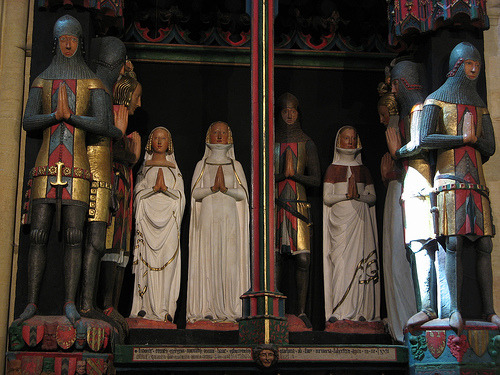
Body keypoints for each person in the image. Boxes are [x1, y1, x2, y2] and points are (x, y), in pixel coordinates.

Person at [19, 15, 120, 325]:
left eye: (73, 39)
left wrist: (71, 117)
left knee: (75, 234)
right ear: (55, 41)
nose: (67, 44)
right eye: (63, 39)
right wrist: (54, 114)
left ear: (80, 44)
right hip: (45, 166)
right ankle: (32, 302)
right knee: (37, 233)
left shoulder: (93, 82)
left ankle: (69, 303)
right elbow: (28, 122)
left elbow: (103, 124)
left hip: (77, 167)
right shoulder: (41, 80)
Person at [418, 42, 499, 333]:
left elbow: (489, 145)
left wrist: (472, 139)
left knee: (485, 244)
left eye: (477, 64)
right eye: (469, 64)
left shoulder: (479, 104)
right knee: (453, 243)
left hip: (476, 182)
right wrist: (461, 140)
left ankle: (489, 310)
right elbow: (425, 138)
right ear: (456, 67)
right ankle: (452, 309)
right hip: (449, 181)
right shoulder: (435, 100)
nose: (475, 69)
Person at [386, 60, 437, 331]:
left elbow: (422, 143)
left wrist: (398, 152)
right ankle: (424, 306)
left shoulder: (419, 107)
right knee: (415, 247)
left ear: (402, 83)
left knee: (422, 245)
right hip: (412, 182)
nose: (393, 91)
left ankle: (428, 307)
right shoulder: (412, 107)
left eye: (395, 84)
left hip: (421, 182)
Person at [187, 121, 250, 323]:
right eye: (216, 132)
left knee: (229, 262)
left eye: (223, 133)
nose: (220, 136)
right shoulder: (202, 165)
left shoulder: (235, 165)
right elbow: (195, 193)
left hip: (229, 218)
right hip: (208, 217)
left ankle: (230, 307)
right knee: (208, 259)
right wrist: (212, 189)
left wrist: (226, 190)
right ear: (209, 137)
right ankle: (207, 306)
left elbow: (243, 195)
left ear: (230, 137)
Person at [323, 126, 380, 322]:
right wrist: (347, 195)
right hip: (340, 224)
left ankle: (361, 311)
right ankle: (338, 310)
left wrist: (360, 196)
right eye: (346, 138)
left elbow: (372, 198)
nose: (350, 142)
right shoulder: (333, 169)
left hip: (360, 222)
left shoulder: (363, 170)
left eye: (353, 138)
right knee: (340, 264)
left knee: (360, 263)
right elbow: (327, 198)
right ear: (339, 141)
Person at [274, 93, 320, 328]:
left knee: (302, 258)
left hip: (300, 206)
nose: (290, 115)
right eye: (285, 111)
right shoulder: (272, 142)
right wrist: (283, 175)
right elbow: (263, 177)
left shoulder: (307, 143)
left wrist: (295, 175)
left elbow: (316, 179)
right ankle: (274, 309)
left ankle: (301, 311)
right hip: (277, 206)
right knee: (276, 258)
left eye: (293, 111)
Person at [100, 71, 141, 328]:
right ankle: (106, 305)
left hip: (123, 190)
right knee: (109, 246)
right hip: (112, 188)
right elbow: (109, 147)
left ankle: (112, 305)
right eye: (137, 97)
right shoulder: (114, 116)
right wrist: (130, 153)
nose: (139, 103)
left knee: (120, 250)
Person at [130, 127, 185, 321]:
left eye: (163, 138)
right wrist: (153, 189)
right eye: (156, 138)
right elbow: (137, 191)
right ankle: (144, 307)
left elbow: (181, 196)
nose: (159, 142)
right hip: (147, 223)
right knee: (147, 262)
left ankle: (164, 307)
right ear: (150, 141)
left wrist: (166, 191)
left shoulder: (174, 169)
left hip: (169, 224)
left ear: (169, 142)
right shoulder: (145, 167)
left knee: (167, 264)